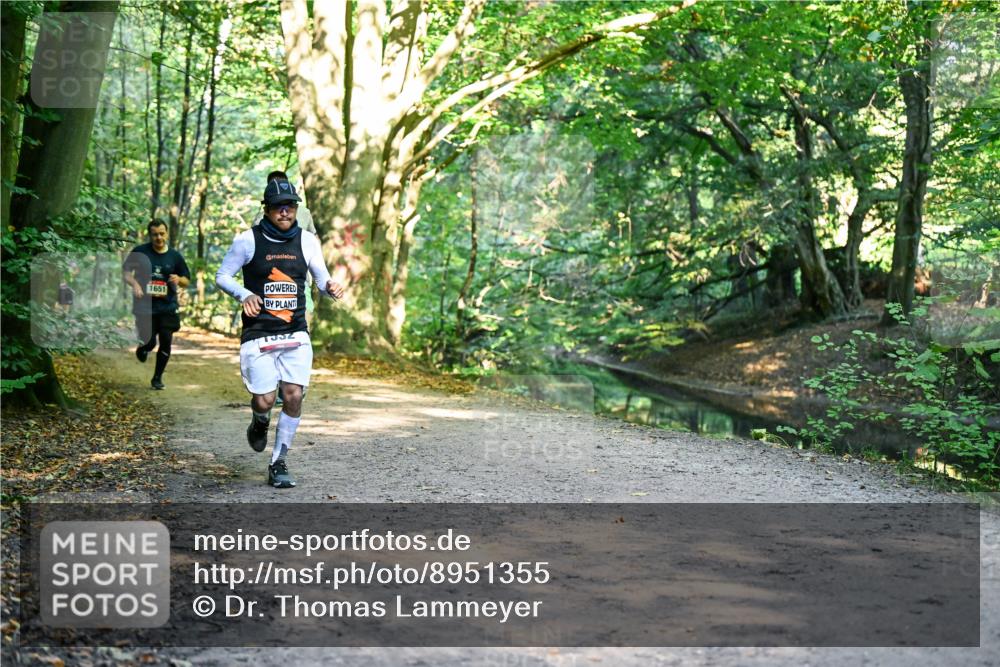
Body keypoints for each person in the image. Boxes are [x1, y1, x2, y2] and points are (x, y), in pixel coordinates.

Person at [216, 179, 344, 489]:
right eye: (278, 207)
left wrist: (330, 287)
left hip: (295, 332)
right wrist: (244, 294)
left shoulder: (308, 241)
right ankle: (259, 420)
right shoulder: (247, 240)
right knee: (264, 400)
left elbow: (321, 280)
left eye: (290, 206)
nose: (285, 211)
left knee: (293, 395)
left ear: (296, 209)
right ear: (267, 209)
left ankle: (279, 462)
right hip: (259, 332)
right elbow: (222, 276)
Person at [252, 171, 317, 406]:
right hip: (269, 285)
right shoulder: (259, 217)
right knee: (271, 337)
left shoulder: (304, 213)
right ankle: (273, 383)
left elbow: (314, 243)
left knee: (301, 331)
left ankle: (294, 383)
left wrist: (316, 275)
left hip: (299, 283)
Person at [123, 219, 191, 390]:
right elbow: (126, 272)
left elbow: (186, 280)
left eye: (161, 234)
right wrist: (135, 284)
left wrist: (178, 279)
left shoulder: (175, 256)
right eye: (155, 235)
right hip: (144, 306)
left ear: (166, 234)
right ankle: (143, 348)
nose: (158, 238)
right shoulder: (140, 252)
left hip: (168, 306)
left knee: (166, 341)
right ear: (150, 235)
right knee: (150, 341)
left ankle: (157, 378)